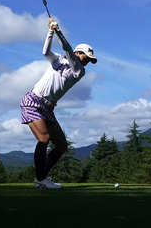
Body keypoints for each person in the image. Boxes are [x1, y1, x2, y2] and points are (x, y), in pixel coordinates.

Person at [20, 17, 97, 189]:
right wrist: (50, 31)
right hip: (32, 101)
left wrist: (59, 32)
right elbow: (46, 52)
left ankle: (41, 178)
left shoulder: (79, 70)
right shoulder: (58, 61)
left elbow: (68, 50)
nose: (88, 61)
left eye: (90, 60)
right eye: (87, 57)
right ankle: (41, 179)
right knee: (44, 138)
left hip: (48, 108)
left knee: (61, 146)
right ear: (79, 52)